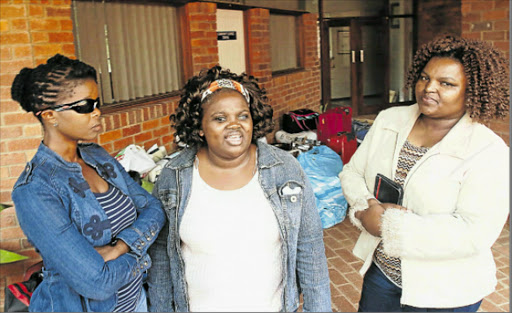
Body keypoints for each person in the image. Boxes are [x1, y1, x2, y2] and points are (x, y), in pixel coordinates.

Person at [339, 35, 509, 312]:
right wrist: (363, 208)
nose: (429, 88)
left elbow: (474, 232)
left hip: (445, 292)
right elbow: (352, 173)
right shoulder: (389, 120)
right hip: (383, 276)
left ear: (473, 91)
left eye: (447, 84)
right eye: (424, 77)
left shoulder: (487, 150)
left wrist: (388, 225)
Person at [147, 65, 331, 312]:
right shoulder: (174, 176)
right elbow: (161, 257)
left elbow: (310, 249)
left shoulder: (285, 170)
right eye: (220, 118)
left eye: (242, 116)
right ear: (199, 127)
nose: (234, 125)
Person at [10, 54, 166, 312]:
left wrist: (119, 248)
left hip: (136, 303)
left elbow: (154, 209)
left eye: (97, 102)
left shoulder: (97, 156)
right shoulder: (35, 190)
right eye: (84, 106)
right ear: (50, 115)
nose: (97, 112)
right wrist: (142, 253)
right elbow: (97, 283)